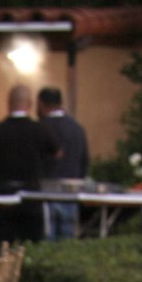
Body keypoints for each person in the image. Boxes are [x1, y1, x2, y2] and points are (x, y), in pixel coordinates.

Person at [0, 84, 54, 248]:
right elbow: (57, 153)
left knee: (2, 248)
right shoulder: (40, 130)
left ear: (8, 103)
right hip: (32, 196)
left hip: (3, 197)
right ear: (29, 104)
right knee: (32, 247)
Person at [37, 86, 90, 242]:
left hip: (45, 193)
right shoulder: (77, 128)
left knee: (46, 243)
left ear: (40, 103)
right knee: (67, 245)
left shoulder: (40, 128)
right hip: (71, 192)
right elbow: (85, 161)